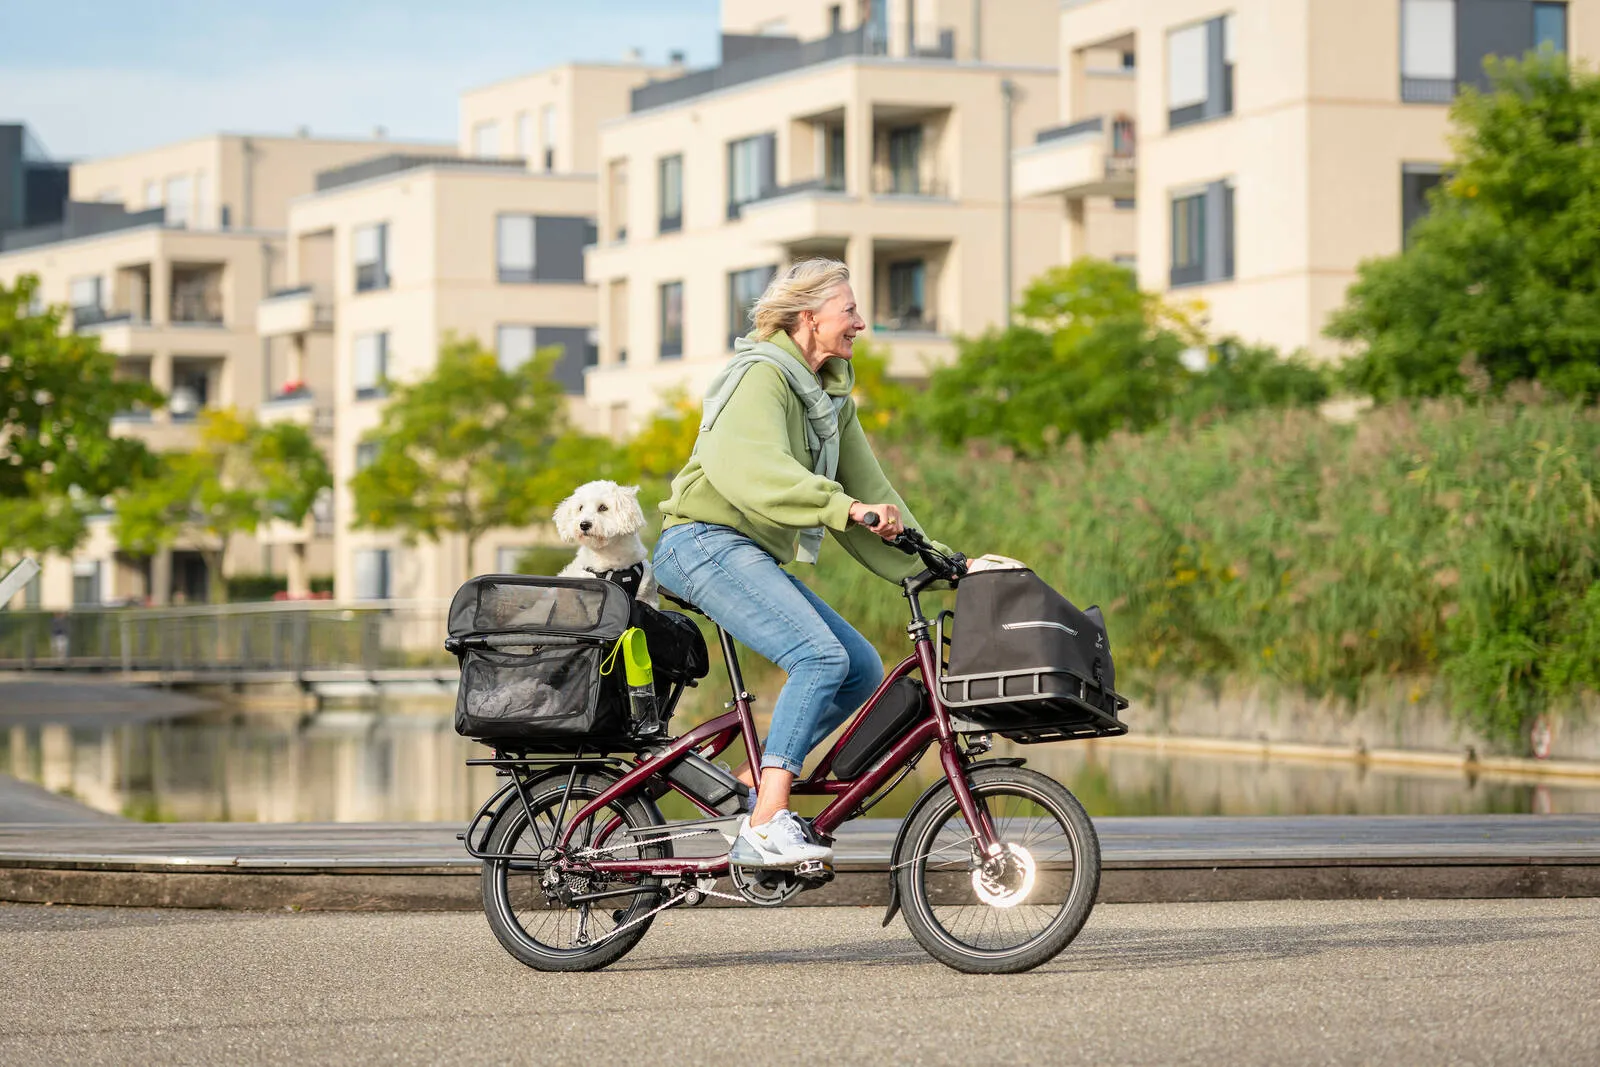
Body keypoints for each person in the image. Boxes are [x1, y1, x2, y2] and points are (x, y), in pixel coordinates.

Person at [653, 258, 945, 868]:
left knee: (861, 669)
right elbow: (752, 470)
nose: (861, 323)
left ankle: (750, 786)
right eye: (850, 311)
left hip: (743, 551)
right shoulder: (758, 375)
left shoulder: (831, 399)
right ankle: (765, 823)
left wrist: (945, 563)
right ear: (808, 317)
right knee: (818, 656)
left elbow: (873, 493)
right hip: (701, 543)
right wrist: (841, 507)